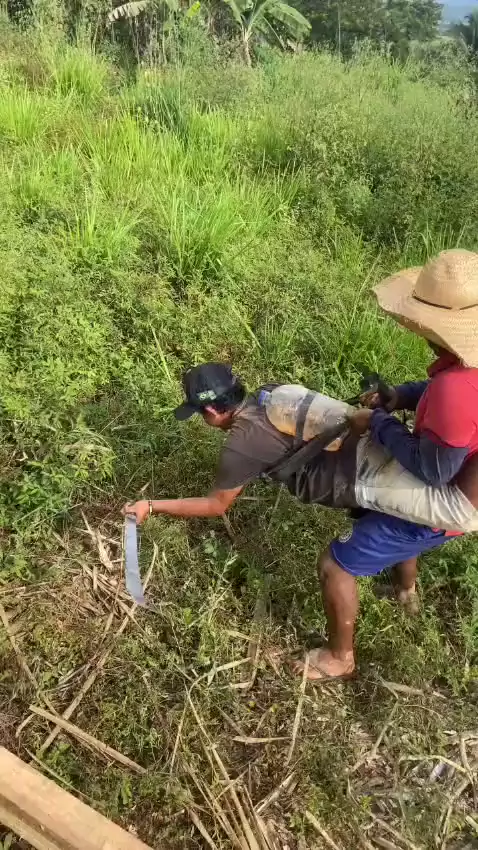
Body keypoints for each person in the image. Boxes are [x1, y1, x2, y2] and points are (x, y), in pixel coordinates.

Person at [123, 249, 478, 681]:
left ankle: (339, 658)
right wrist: (399, 397)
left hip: (445, 501)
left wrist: (151, 505)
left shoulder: (241, 444)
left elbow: (217, 505)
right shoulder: (275, 391)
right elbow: (438, 400)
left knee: (336, 565)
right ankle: (406, 592)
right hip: (414, 469)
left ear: (212, 412)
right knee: (391, 514)